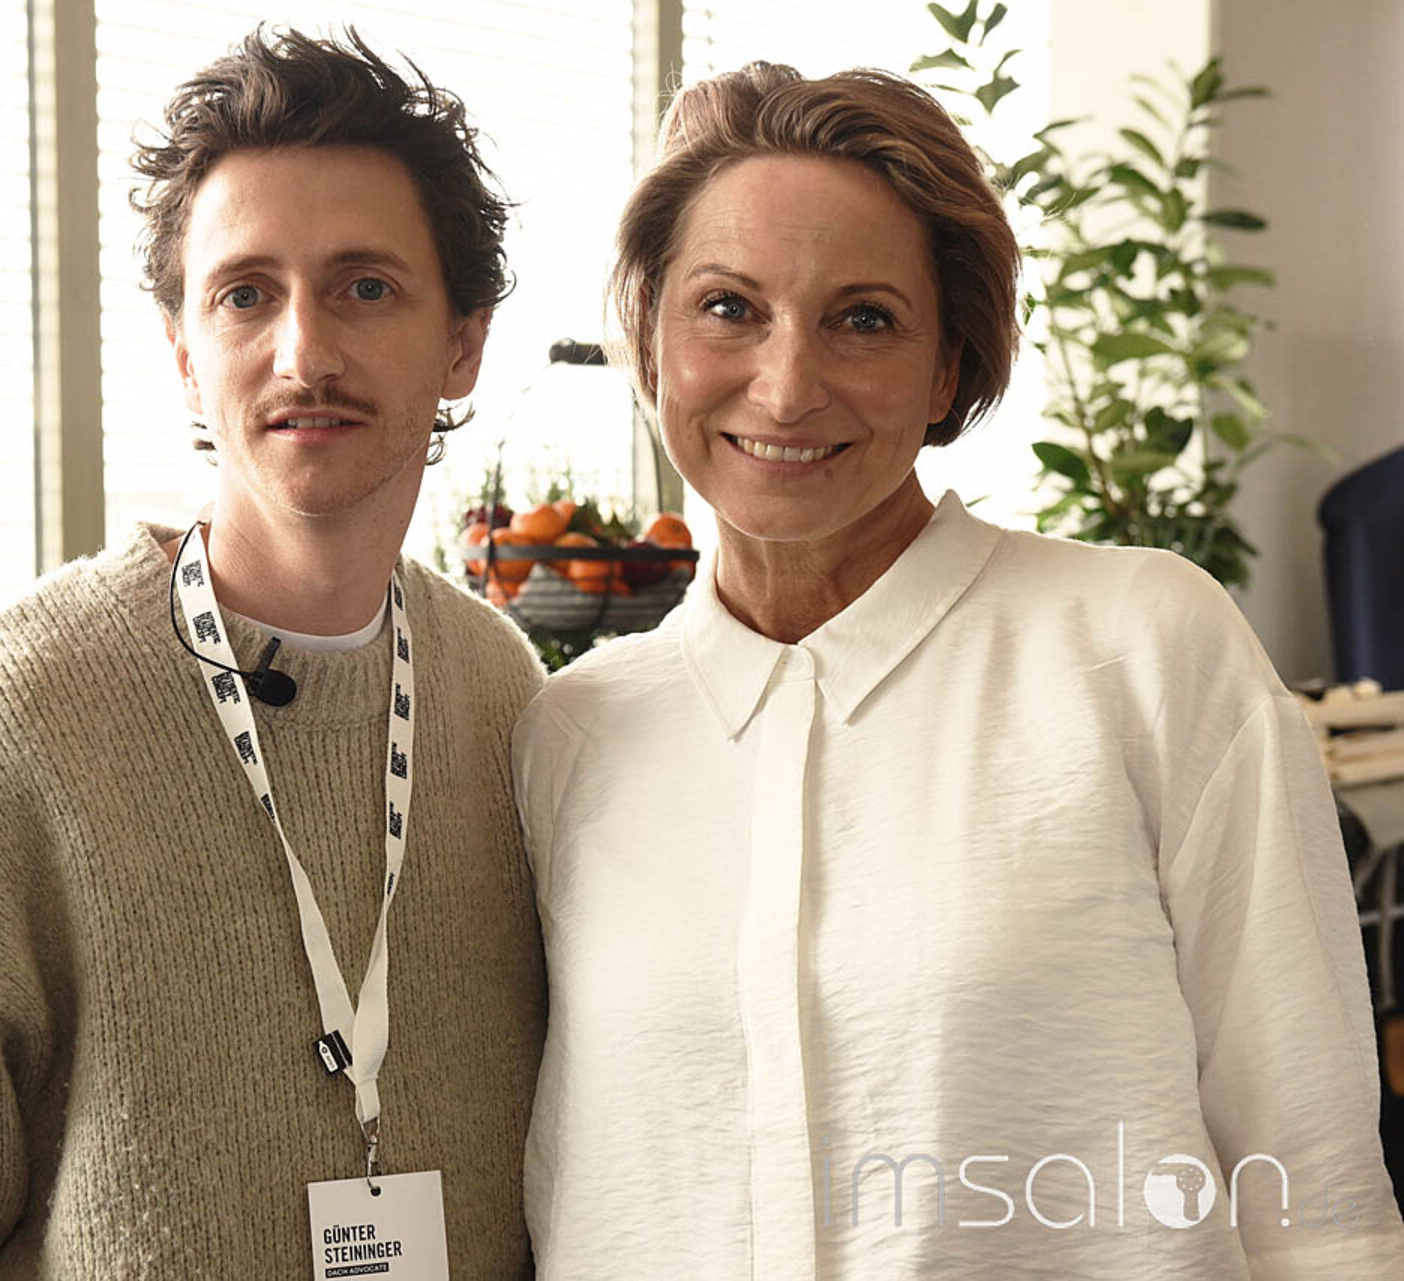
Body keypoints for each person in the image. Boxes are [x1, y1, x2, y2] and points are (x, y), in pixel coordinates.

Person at [512, 62, 1404, 1278]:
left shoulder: (1143, 648)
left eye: (864, 318)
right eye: (727, 307)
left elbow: (1318, 1192)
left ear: (947, 369)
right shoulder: (572, 732)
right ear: (651, 341)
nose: (787, 385)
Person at [0, 27, 547, 1278]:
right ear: (184, 352)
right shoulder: (9, 719)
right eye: (245, 294)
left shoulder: (504, 696)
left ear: (463, 342)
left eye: (365, 287)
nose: (303, 353)